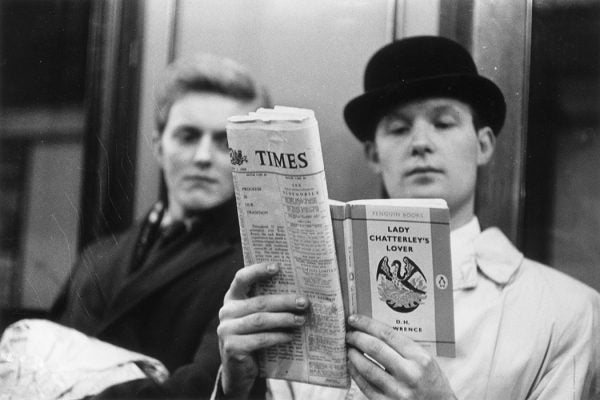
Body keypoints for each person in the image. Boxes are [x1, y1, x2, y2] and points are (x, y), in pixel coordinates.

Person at [215, 36, 600, 399]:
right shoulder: (306, 300)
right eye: (399, 128)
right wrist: (237, 390)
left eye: (444, 123)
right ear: (373, 155)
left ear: (483, 144)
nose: (420, 143)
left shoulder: (567, 312)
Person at [50, 53, 270, 398]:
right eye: (187, 136)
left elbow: (202, 388)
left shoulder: (253, 267)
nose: (202, 157)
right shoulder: (97, 256)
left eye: (225, 143)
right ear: (158, 146)